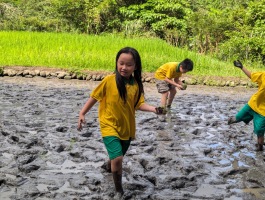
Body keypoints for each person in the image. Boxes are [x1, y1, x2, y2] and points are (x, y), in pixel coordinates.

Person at [77, 47, 165, 196]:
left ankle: (108, 165)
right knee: (118, 158)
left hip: (126, 128)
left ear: (135, 66)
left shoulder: (136, 85)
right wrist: (82, 113)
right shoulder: (109, 80)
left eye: (129, 65)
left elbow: (137, 105)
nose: (124, 67)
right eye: (121, 63)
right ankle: (119, 190)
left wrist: (154, 109)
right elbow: (94, 96)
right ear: (117, 63)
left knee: (117, 158)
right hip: (108, 124)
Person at [228, 60, 265, 151]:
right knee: (237, 118)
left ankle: (260, 146)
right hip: (253, 104)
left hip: (263, 111)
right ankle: (229, 121)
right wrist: (242, 67)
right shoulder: (263, 75)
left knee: (259, 131)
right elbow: (252, 75)